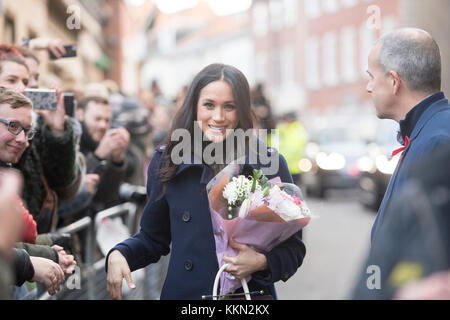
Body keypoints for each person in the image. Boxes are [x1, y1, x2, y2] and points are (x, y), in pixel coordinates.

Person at [106, 63, 306, 300]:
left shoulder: (268, 162)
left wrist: (262, 262)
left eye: (229, 106)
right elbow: (153, 237)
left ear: (242, 110)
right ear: (194, 107)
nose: (218, 117)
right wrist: (120, 253)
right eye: (209, 105)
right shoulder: (168, 161)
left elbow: (294, 248)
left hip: (246, 297)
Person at [365, 28, 450, 243]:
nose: (368, 87)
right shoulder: (425, 131)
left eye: (371, 77)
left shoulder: (437, 143)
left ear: (394, 81)